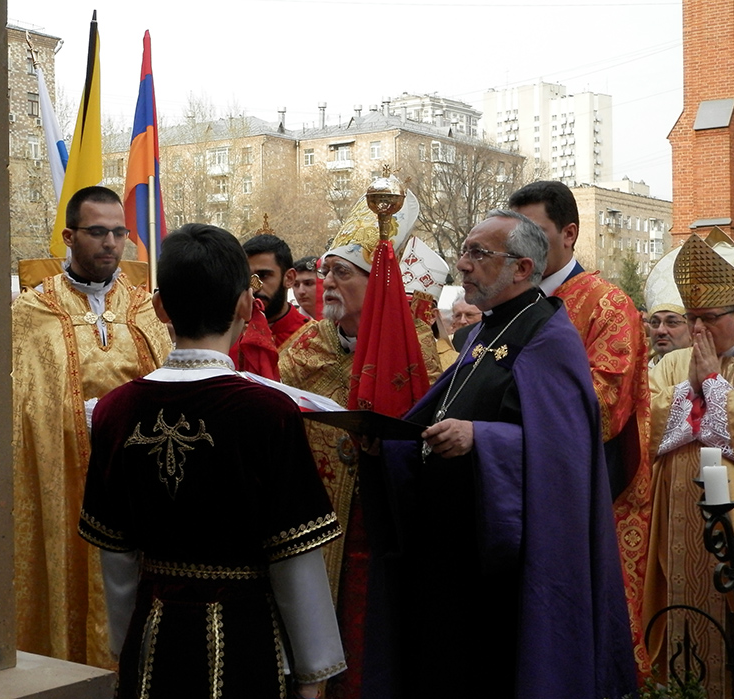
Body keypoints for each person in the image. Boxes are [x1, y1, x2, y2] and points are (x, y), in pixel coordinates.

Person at [377, 210, 636, 699]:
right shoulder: (485, 329)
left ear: (520, 268)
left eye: (478, 253)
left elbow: (566, 454)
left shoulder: (548, 335)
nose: (463, 265)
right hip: (453, 542)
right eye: (465, 251)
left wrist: (483, 439)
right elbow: (445, 405)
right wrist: (389, 438)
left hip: (505, 562)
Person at [79, 223, 345, 698]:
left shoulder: (115, 411)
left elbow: (115, 557)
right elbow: (295, 558)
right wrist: (313, 673)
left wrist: (126, 645)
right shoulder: (269, 413)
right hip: (248, 642)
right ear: (246, 304)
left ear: (160, 308)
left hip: (153, 639)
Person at [278, 193, 438, 699]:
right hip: (313, 520)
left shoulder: (415, 345)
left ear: (378, 282)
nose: (326, 283)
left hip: (376, 526)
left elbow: (429, 427)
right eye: (326, 272)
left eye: (342, 273)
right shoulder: (305, 345)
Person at [12, 186, 172, 666]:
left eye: (119, 233)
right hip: (63, 482)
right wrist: (77, 416)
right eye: (97, 232)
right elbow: (21, 406)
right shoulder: (30, 314)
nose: (110, 243)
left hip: (135, 482)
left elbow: (169, 386)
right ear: (69, 235)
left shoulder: (145, 309)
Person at [509, 180, 651, 674]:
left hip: (588, 493)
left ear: (569, 233)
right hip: (516, 484)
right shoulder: (508, 304)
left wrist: (502, 408)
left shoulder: (608, 305)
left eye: (536, 233)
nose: (521, 247)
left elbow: (602, 404)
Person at [643, 232, 734, 697]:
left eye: (709, 319)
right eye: (693, 319)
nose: (699, 331)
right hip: (677, 523)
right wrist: (693, 387)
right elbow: (645, 417)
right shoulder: (674, 363)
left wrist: (711, 384)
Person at [244, 234, 310, 348]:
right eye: (246, 277)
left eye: (263, 275)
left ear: (289, 278)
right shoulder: (226, 338)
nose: (253, 287)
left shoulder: (313, 339)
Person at [644, 244, 692, 366]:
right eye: (654, 322)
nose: (661, 330)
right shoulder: (640, 372)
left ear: (692, 329)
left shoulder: (707, 370)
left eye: (671, 322)